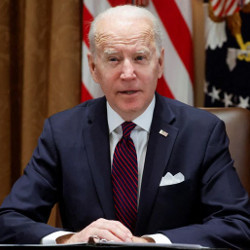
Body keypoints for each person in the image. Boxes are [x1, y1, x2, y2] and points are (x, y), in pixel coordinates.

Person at [0, 4, 249, 249]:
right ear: (94, 68)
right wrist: (71, 238)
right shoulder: (62, 132)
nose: (127, 73)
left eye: (140, 58)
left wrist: (149, 243)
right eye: (113, 59)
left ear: (160, 63)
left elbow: (236, 224)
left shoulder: (202, 132)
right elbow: (9, 220)